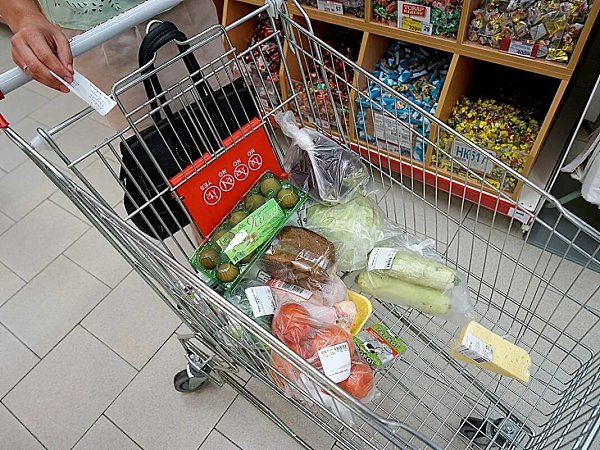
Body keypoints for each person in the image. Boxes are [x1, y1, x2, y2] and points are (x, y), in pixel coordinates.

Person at [0, 0, 226, 128]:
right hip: (95, 33)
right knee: (157, 140)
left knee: (226, 111)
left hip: (180, 7)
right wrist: (23, 16)